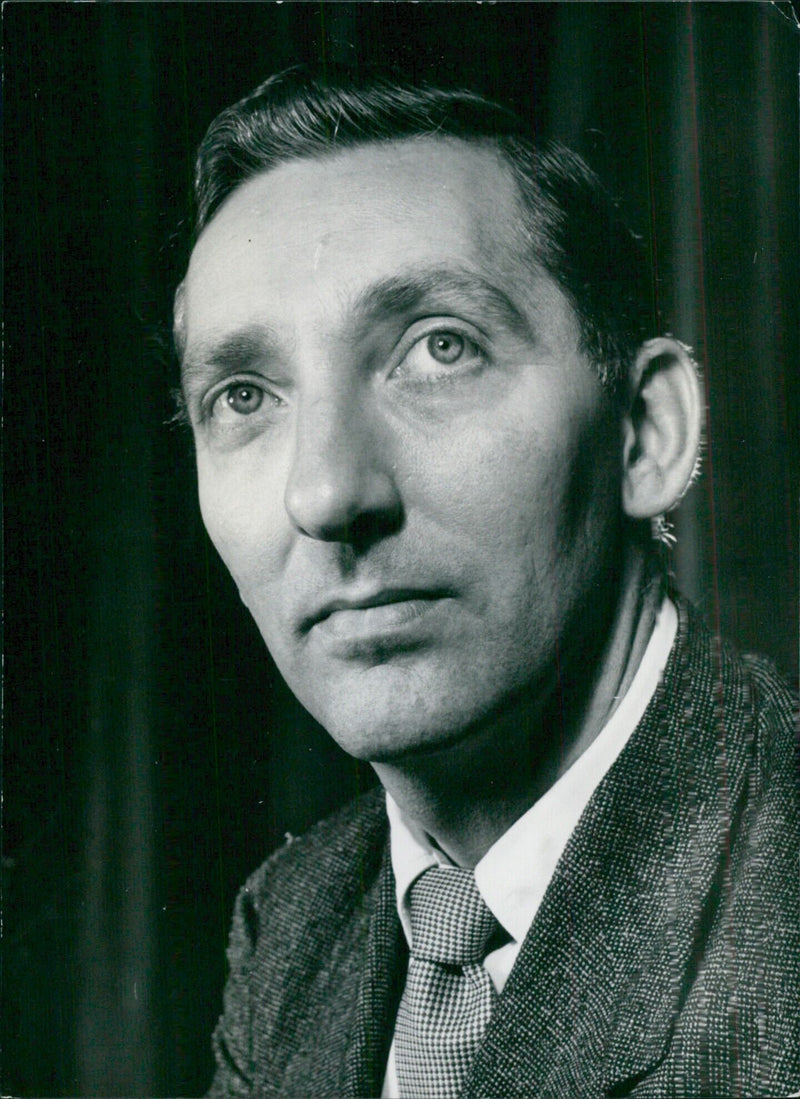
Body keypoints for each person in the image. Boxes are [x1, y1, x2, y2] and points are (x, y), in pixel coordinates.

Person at [173, 68, 799, 1098]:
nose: (325, 492)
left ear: (644, 436)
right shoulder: (290, 920)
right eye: (245, 395)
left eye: (438, 349)